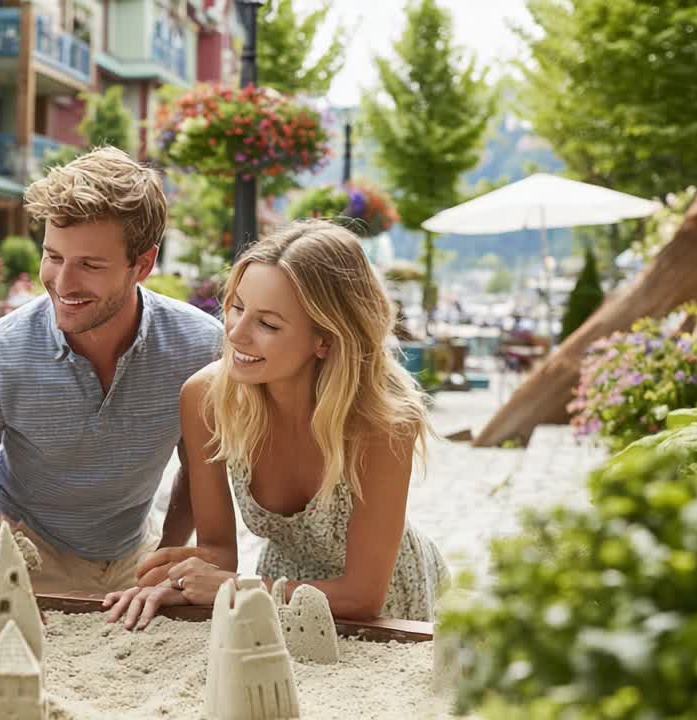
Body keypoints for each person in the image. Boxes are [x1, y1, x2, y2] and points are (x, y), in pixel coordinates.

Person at [104, 220, 450, 630]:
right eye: (236, 307)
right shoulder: (206, 398)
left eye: (268, 324)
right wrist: (177, 580)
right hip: (275, 588)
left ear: (325, 339)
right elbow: (218, 552)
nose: (236, 333)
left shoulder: (383, 423)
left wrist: (236, 588)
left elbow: (362, 596)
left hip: (385, 602)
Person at [0, 146, 223, 594]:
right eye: (53, 257)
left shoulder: (200, 345)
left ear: (143, 265)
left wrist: (165, 558)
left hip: (136, 549)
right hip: (26, 552)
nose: (63, 283)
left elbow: (199, 470)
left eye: (90, 265)